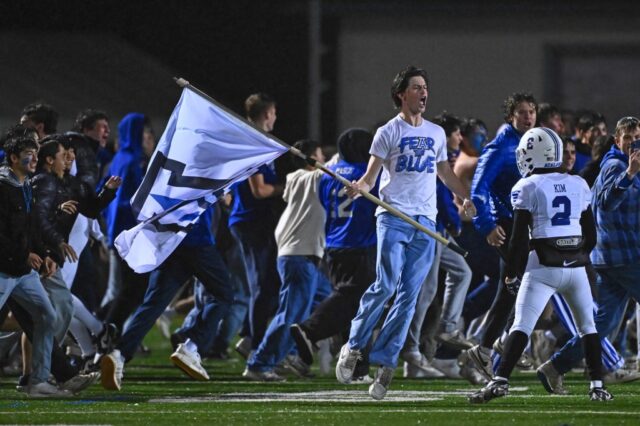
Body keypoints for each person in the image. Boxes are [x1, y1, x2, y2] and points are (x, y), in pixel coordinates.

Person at [335, 65, 476, 400]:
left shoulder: (436, 133)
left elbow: (444, 172)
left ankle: (385, 362)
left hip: (425, 223)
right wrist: (360, 186)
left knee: (410, 296)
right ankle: (354, 346)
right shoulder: (388, 131)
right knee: (386, 284)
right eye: (416, 87)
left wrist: (465, 198)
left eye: (425, 86)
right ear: (401, 94)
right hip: (394, 216)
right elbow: (371, 175)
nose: (423, 92)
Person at [469, 127, 612, 403]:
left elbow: (519, 239)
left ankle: (500, 381)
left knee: (521, 325)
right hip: (575, 266)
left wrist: (512, 272)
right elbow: (591, 234)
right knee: (588, 327)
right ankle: (597, 386)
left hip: (541, 266)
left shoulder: (527, 186)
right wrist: (575, 255)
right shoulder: (578, 183)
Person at [540, 116, 640, 391]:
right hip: (624, 256)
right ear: (617, 140)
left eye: (636, 137)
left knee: (602, 326)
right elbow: (607, 202)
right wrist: (629, 174)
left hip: (614, 257)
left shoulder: (629, 165)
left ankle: (555, 366)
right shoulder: (615, 165)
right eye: (628, 137)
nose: (633, 142)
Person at [290, 128, 377, 383]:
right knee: (354, 298)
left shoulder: (328, 175)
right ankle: (310, 330)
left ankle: (357, 368)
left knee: (355, 307)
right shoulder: (368, 174)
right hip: (359, 244)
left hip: (334, 244)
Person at [463, 92, 537, 379]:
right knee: (529, 285)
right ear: (510, 117)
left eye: (531, 111)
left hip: (526, 225)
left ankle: (486, 349)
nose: (528, 116)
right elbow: (478, 191)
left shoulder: (530, 143)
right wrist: (488, 227)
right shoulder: (499, 147)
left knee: (511, 292)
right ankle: (503, 343)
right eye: (521, 112)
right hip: (508, 226)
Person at [243, 139, 330, 381]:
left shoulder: (294, 179)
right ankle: (259, 364)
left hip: (301, 254)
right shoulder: (309, 178)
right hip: (298, 254)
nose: (325, 160)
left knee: (330, 300)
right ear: (313, 159)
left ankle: (289, 351)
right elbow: (332, 169)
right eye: (321, 155)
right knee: (290, 313)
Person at [0, 136, 66, 397]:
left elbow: (30, 228)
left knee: (47, 316)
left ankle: (38, 382)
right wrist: (23, 254)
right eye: (30, 153)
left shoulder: (25, 183)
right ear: (14, 157)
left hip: (21, 272)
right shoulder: (3, 186)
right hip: (4, 269)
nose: (35, 159)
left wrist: (44, 254)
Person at [229, 93, 283, 358]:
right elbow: (259, 190)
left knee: (269, 282)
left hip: (255, 220)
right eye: (273, 113)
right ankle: (256, 346)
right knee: (261, 284)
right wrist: (287, 188)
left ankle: (251, 337)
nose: (275, 118)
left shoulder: (257, 141)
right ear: (266, 114)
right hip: (251, 220)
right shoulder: (253, 143)